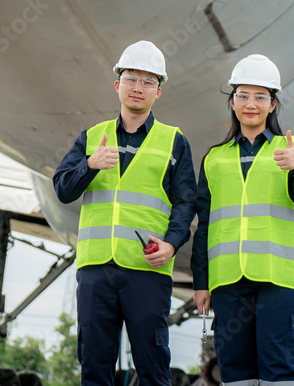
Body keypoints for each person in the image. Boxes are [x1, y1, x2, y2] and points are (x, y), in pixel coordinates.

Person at [53, 40, 197, 386]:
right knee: (94, 366)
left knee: (152, 366)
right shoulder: (91, 138)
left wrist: (172, 245)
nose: (138, 87)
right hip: (96, 270)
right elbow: (62, 189)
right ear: (117, 84)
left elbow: (186, 203)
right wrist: (89, 165)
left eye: (148, 81)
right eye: (132, 78)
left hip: (147, 270)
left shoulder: (174, 141)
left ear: (158, 91)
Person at [190, 54, 294, 386]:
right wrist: (200, 281)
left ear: (273, 104)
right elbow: (204, 224)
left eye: (260, 97)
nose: (251, 104)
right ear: (233, 103)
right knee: (234, 371)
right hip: (228, 279)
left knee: (278, 369)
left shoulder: (290, 149)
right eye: (243, 96)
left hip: (278, 278)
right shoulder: (214, 158)